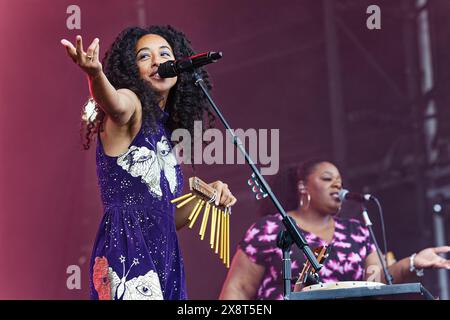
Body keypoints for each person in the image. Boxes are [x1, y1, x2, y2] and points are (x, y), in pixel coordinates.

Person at [61, 25, 237, 300]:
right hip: (127, 252)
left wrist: (204, 198)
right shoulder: (132, 107)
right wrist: (96, 74)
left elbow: (165, 216)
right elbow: (116, 103)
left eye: (165, 54)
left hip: (165, 256)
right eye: (145, 56)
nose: (158, 61)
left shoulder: (164, 134)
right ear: (132, 70)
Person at [219, 159, 450, 300]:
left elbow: (377, 280)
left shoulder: (356, 231)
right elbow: (238, 289)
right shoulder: (269, 228)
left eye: (339, 180)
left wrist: (412, 262)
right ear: (302, 187)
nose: (338, 185)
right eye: (327, 179)